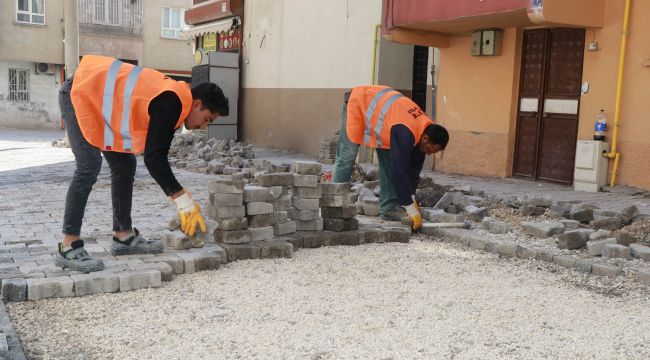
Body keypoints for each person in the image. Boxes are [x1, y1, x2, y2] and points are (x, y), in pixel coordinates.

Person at [56, 55, 229, 272]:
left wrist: (180, 194)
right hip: (79, 93)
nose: (204, 126)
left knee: (124, 165)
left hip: (98, 101)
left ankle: (123, 236)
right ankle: (69, 244)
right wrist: (182, 200)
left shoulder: (177, 102)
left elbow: (156, 154)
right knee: (88, 165)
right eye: (207, 119)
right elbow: (154, 159)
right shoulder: (172, 101)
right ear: (198, 104)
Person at [333, 85, 449, 230]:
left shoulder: (424, 130)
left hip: (383, 120)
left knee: (389, 161)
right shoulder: (405, 132)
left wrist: (411, 202)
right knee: (347, 156)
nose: (429, 153)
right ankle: (334, 205)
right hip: (359, 103)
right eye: (430, 150)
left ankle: (388, 209)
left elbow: (412, 172)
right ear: (425, 139)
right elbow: (398, 172)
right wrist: (410, 208)